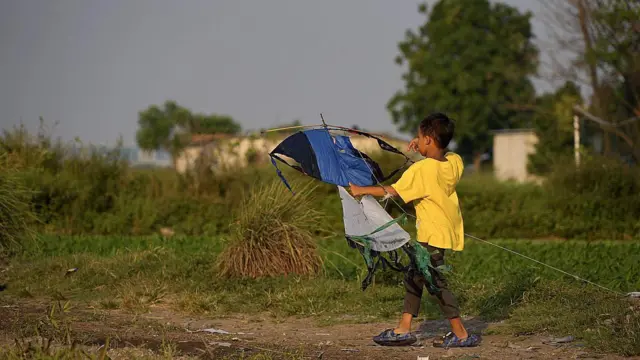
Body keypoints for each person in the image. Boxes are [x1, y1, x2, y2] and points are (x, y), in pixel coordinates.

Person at [348, 112, 481, 348]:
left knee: (435, 282)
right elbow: (447, 153)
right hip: (441, 234)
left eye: (420, 138)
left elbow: (393, 190)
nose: (416, 141)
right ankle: (404, 328)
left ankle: (461, 334)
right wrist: (421, 145)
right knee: (415, 277)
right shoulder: (454, 164)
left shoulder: (422, 170)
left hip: (431, 235)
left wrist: (361, 190)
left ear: (428, 139)